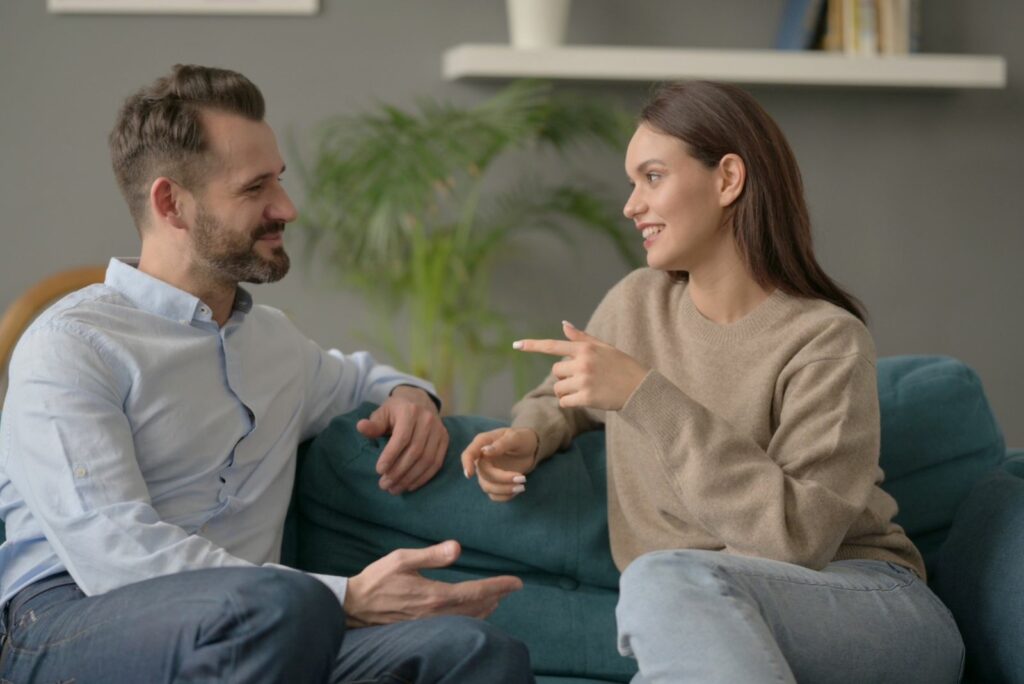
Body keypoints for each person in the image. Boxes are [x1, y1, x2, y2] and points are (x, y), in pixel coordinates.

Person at [0, 64, 533, 684]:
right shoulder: (72, 346)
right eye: (256, 189)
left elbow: (363, 380)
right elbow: (114, 553)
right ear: (171, 203)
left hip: (268, 631)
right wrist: (346, 599)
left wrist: (412, 396)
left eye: (278, 181)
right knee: (284, 604)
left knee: (474, 651)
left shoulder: (275, 343)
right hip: (71, 619)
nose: (288, 207)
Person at [461, 81, 964, 683]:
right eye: (632, 183)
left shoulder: (825, 339)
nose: (630, 205)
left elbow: (798, 539)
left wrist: (646, 396)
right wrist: (530, 436)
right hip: (703, 610)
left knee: (663, 575)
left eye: (651, 177)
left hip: (861, 601)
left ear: (728, 179)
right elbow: (564, 393)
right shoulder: (636, 304)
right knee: (671, 590)